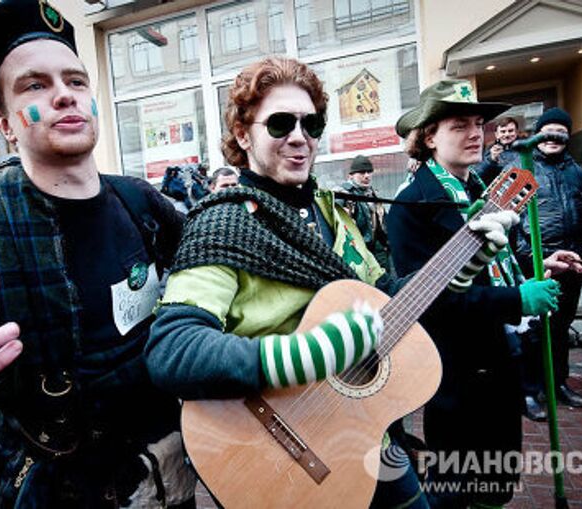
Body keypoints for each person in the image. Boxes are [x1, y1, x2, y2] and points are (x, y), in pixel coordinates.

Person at [145, 58, 518, 508]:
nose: (299, 137)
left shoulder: (333, 214)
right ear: (244, 135)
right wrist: (308, 355)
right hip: (272, 449)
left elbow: (386, 307)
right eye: (281, 124)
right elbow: (173, 349)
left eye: (312, 123)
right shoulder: (222, 225)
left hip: (365, 435)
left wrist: (457, 270)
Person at [0, 1, 193, 507]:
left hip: (164, 478)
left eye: (76, 81)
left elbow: (217, 276)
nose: (64, 95)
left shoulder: (141, 201)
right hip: (47, 489)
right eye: (35, 85)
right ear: (4, 122)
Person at [386, 80, 565, 508]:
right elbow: (429, 304)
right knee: (455, 485)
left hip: (501, 361)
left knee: (497, 483)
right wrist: (517, 302)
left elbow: (492, 270)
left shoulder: (476, 193)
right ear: (429, 136)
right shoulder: (412, 206)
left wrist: (533, 275)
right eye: (459, 124)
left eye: (479, 123)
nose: (475, 134)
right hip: (458, 374)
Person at [509, 107, 582, 410]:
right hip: (538, 264)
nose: (553, 137)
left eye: (560, 131)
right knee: (532, 330)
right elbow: (512, 221)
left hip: (571, 263)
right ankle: (530, 390)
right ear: (538, 134)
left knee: (560, 328)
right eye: (548, 130)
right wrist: (532, 259)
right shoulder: (522, 168)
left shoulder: (576, 169)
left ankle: (558, 382)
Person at [338, 155, 393, 274]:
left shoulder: (372, 194)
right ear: (351, 175)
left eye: (369, 172)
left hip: (378, 248)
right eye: (362, 173)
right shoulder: (343, 194)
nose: (367, 176)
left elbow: (383, 221)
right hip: (358, 251)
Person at [474, 116, 521, 184]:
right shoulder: (489, 152)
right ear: (497, 134)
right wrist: (491, 160)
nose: (507, 134)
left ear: (516, 132)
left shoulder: (525, 150)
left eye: (510, 131)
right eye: (503, 131)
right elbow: (477, 176)